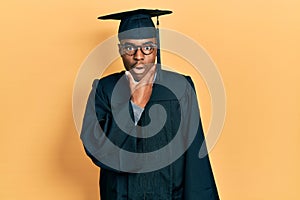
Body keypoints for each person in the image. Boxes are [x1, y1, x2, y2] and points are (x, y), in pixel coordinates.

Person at [80, 9, 220, 200]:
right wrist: (134, 106)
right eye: (130, 48)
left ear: (156, 47)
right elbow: (97, 148)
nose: (139, 56)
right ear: (120, 49)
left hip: (170, 196)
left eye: (147, 47)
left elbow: (195, 157)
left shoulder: (180, 88)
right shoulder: (104, 89)